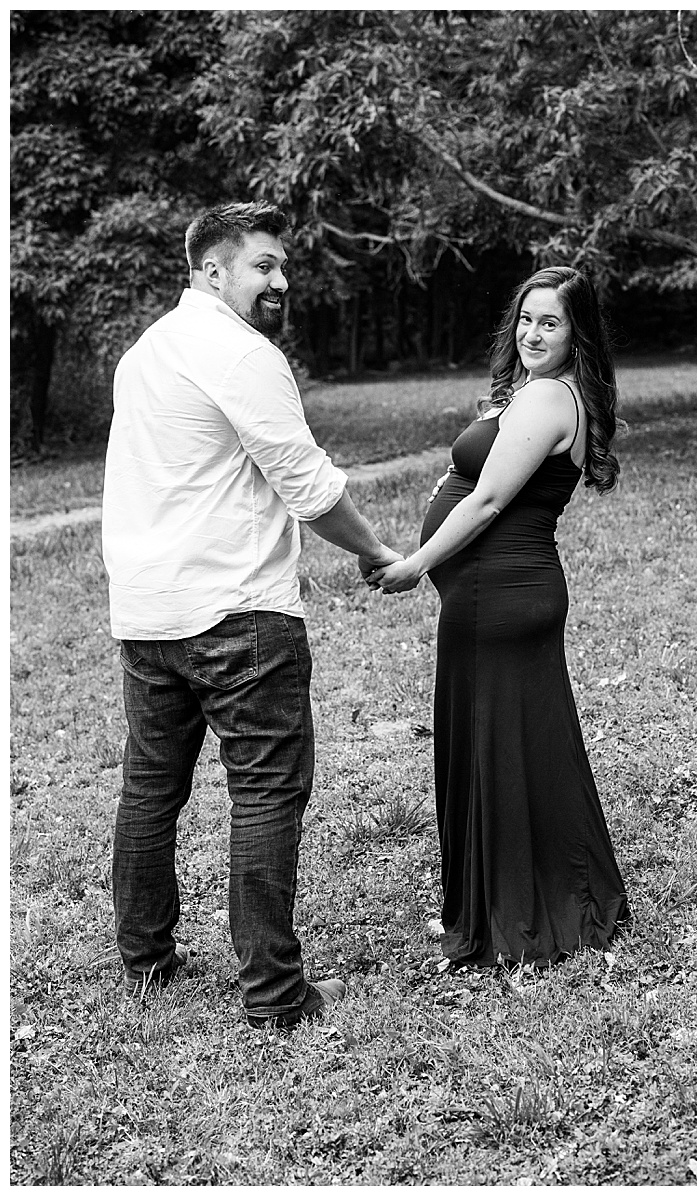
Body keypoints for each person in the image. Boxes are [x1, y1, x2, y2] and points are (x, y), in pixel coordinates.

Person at [104, 200, 402, 1029]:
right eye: (263, 265)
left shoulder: (146, 353)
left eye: (282, 265)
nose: (281, 279)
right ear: (211, 271)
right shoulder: (242, 355)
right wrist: (376, 552)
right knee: (268, 792)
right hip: (237, 615)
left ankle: (146, 963)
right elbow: (308, 486)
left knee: (150, 790)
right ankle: (274, 994)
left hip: (148, 613)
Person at [367, 266, 630, 967]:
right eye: (525, 319)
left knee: (497, 752)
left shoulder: (549, 397)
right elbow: (481, 480)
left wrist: (415, 563)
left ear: (577, 334)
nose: (533, 332)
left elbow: (485, 503)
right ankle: (546, 893)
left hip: (499, 595)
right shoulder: (542, 394)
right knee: (525, 748)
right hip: (502, 593)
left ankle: (514, 912)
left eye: (550, 322)